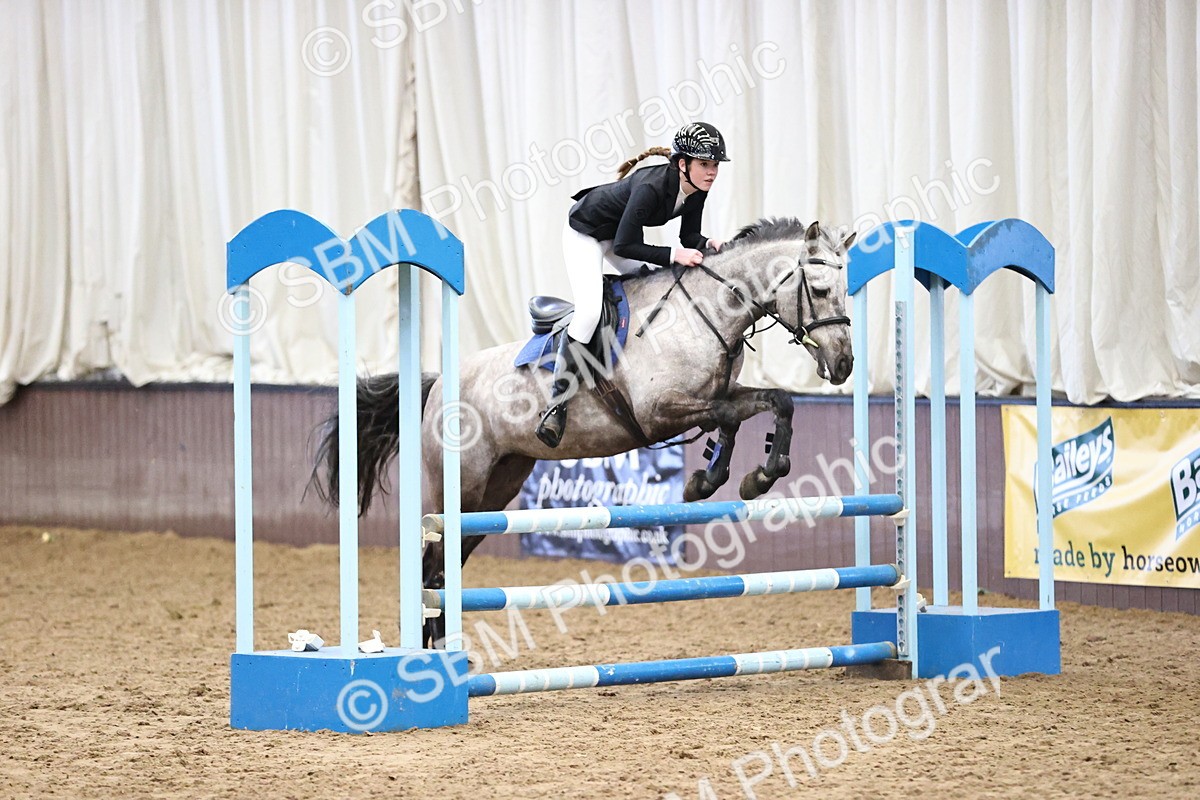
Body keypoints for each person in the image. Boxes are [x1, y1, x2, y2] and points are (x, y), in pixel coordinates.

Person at [535, 121, 730, 448]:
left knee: (658, 282)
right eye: (704, 164)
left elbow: (689, 236)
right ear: (683, 164)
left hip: (615, 236)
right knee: (589, 312)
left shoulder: (697, 188)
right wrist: (673, 255)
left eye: (715, 165)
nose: (712, 172)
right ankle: (556, 403)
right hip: (587, 234)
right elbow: (626, 246)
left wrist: (709, 243)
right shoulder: (651, 187)